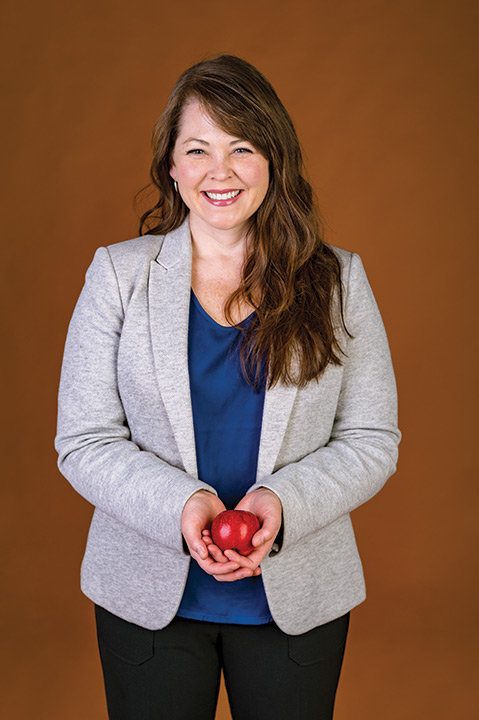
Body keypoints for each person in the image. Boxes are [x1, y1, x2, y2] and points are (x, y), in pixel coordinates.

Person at [55, 54, 400, 720]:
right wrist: (183, 506)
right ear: (172, 169)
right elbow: (85, 439)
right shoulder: (117, 277)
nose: (220, 171)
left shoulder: (336, 280)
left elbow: (370, 437)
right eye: (198, 149)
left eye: (242, 147)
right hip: (147, 597)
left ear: (273, 160)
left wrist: (280, 502)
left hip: (297, 598)